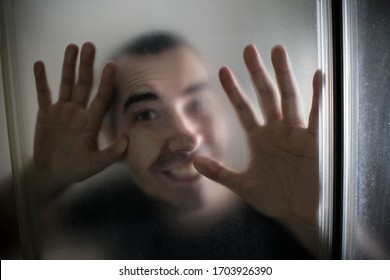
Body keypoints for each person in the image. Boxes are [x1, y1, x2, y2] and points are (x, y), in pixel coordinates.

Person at [1, 31, 320, 259]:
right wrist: (40, 181)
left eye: (196, 104)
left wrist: (309, 222)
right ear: (113, 135)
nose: (187, 138)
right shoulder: (110, 206)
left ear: (220, 110)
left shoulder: (282, 212)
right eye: (147, 114)